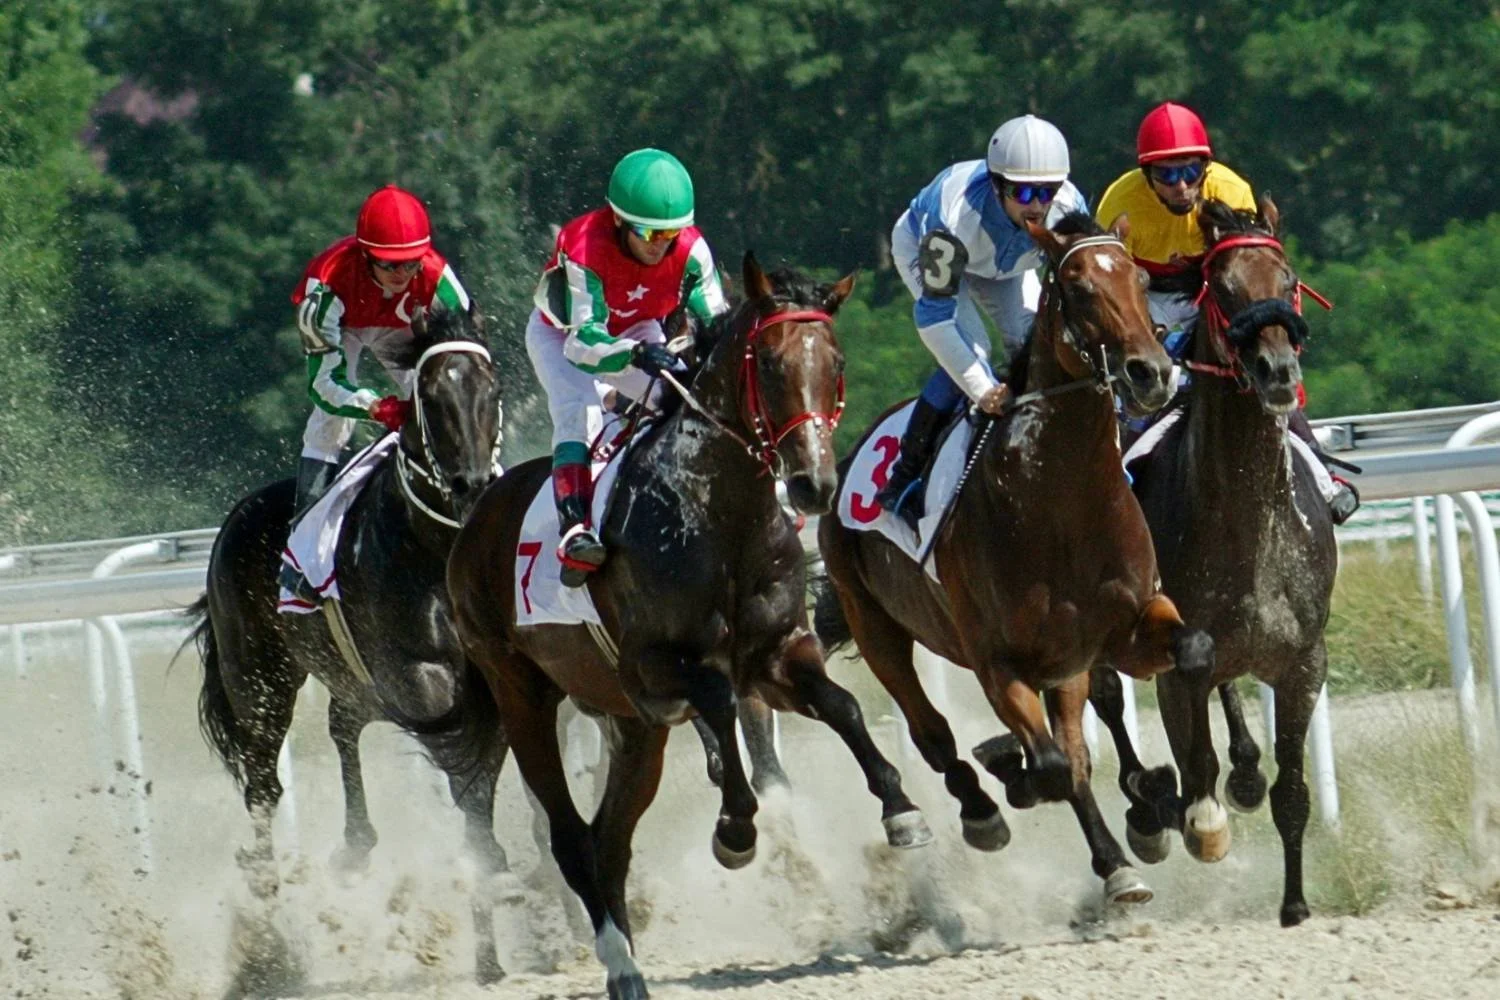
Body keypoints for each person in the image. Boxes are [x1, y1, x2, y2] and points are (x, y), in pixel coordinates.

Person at [1096, 102, 1359, 523]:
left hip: (1211, 286)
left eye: (1190, 172)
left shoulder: (1232, 191)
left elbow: (1249, 269)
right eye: (1166, 175)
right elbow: (1116, 285)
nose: (1181, 186)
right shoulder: (1119, 205)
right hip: (1148, 291)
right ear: (1146, 175)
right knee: (1142, 386)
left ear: (1206, 166)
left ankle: (1323, 473)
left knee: (1264, 366)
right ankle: (1116, 488)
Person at [526, 148, 728, 586]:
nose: (660, 246)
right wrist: (635, 356)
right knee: (578, 412)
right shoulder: (584, 245)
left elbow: (718, 325)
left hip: (636, 328)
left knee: (679, 402)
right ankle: (575, 530)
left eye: (670, 234)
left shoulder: (692, 252)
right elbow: (582, 344)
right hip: (563, 335)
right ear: (618, 220)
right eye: (648, 233)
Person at [876, 114, 1087, 530]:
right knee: (974, 353)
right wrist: (983, 389)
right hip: (928, 249)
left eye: (1047, 191)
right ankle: (905, 476)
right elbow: (934, 319)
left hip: (1004, 268)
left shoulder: (1070, 208)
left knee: (1032, 344)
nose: (1038, 206)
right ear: (996, 185)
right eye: (1024, 192)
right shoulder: (952, 219)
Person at [290, 184, 471, 512]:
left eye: (411, 264)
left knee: (442, 398)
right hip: (342, 329)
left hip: (398, 328)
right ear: (366, 255)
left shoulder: (438, 277)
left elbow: (466, 358)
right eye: (390, 265)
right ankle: (306, 523)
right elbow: (322, 384)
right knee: (330, 422)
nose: (402, 274)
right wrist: (374, 407)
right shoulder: (325, 285)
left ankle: (473, 491)